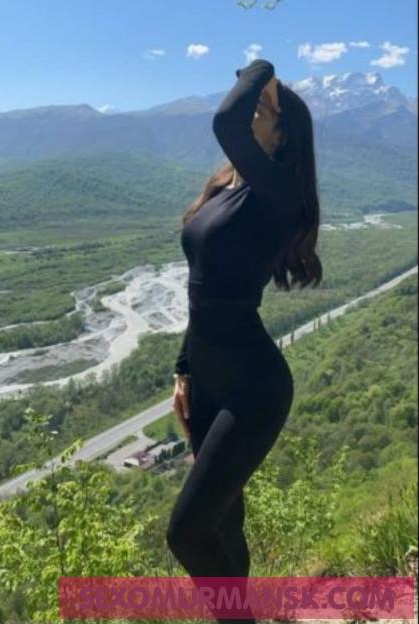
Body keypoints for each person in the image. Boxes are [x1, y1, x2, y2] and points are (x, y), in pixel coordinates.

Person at [166, 58, 322, 623]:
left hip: (253, 387)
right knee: (223, 527)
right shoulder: (228, 187)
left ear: (282, 135)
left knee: (186, 533)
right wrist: (184, 368)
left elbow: (225, 119)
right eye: (258, 103)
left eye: (265, 108)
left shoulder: (279, 194)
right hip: (208, 377)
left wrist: (263, 71)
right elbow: (201, 289)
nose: (254, 110)